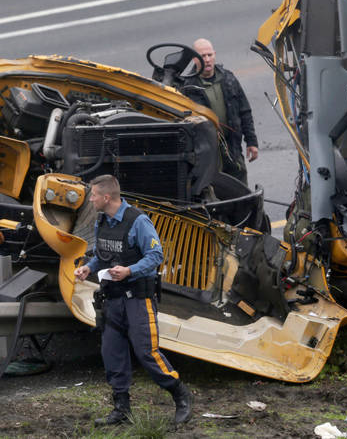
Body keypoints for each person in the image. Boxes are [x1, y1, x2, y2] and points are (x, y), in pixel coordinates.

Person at [73, 174, 193, 426]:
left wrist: (129, 271)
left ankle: (181, 395)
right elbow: (101, 255)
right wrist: (88, 267)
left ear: (106, 197)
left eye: (93, 194)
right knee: (112, 353)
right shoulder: (102, 220)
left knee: (146, 353)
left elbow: (155, 255)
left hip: (137, 300)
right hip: (112, 301)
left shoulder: (137, 221)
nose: (90, 198)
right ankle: (121, 409)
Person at [181, 38, 259, 185]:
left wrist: (252, 142)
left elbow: (245, 111)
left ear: (215, 55)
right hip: (208, 155)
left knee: (241, 191)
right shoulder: (188, 88)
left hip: (233, 150)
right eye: (202, 56)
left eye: (210, 55)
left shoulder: (228, 78)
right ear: (194, 59)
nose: (207, 60)